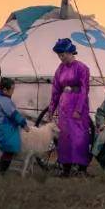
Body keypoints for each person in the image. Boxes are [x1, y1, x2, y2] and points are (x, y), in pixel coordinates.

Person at [44, 38, 91, 177]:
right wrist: (51, 109)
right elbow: (56, 90)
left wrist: (78, 109)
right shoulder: (60, 69)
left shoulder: (82, 68)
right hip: (64, 107)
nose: (61, 58)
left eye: (62, 55)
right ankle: (66, 169)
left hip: (78, 105)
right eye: (59, 55)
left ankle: (82, 169)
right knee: (64, 138)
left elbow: (84, 90)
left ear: (70, 52)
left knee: (79, 136)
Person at [0, 77, 28, 174]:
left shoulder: (1, 97)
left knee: (9, 147)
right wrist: (23, 123)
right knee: (10, 146)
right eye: (12, 89)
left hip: (4, 126)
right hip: (2, 127)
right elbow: (12, 113)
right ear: (4, 90)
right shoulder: (4, 100)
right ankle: (1, 171)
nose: (13, 91)